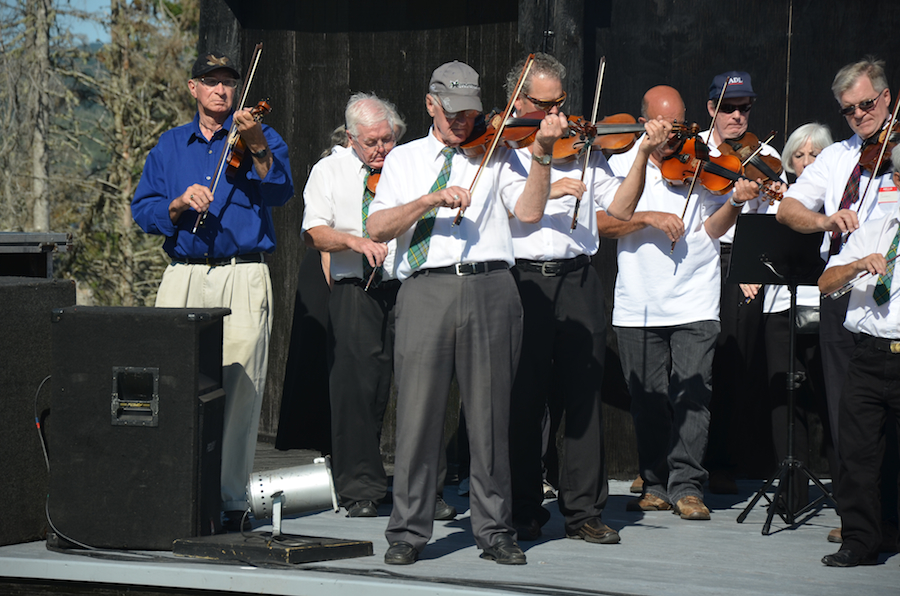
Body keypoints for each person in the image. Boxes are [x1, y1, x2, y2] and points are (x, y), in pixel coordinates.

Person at [365, 60, 568, 565]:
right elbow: (377, 227)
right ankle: (408, 532)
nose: (463, 121)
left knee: (490, 418)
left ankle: (495, 530)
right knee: (418, 417)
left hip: (490, 287)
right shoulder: (405, 159)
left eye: (471, 112)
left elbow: (529, 212)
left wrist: (542, 154)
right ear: (430, 104)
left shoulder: (499, 152)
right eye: (453, 111)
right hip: (425, 290)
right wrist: (430, 199)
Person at [503, 53, 671, 544]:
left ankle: (583, 512)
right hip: (524, 280)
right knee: (524, 398)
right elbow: (525, 211)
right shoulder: (505, 150)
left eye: (560, 102)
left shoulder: (586, 150)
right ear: (518, 101)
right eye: (544, 105)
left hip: (578, 278)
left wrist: (641, 154)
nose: (557, 114)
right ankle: (522, 507)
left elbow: (621, 208)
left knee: (583, 396)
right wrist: (547, 164)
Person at [131, 50, 294, 531]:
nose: (221, 89)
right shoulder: (169, 145)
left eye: (228, 81)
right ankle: (173, 491)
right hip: (182, 273)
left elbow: (280, 191)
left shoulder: (260, 135)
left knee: (241, 387)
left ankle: (230, 499)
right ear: (194, 88)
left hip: (241, 273)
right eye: (211, 80)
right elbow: (142, 211)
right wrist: (178, 204)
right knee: (170, 382)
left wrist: (257, 144)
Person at [597, 85, 759, 520]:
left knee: (693, 395)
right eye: (663, 125)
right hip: (638, 302)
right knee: (646, 400)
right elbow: (601, 225)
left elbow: (712, 229)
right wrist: (647, 217)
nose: (674, 135)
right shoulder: (619, 162)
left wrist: (735, 203)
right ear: (644, 121)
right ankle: (654, 483)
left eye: (680, 125)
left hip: (695, 298)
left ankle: (687, 486)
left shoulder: (704, 159)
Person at [776, 58, 898, 546]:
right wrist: (825, 221)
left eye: (866, 104)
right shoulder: (836, 157)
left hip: (893, 291)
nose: (860, 116)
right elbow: (787, 209)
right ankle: (858, 519)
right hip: (842, 289)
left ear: (886, 98)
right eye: (849, 110)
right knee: (848, 411)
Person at [741, 123, 834, 515]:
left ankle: (849, 491)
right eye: (799, 155)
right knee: (783, 399)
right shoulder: (776, 198)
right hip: (781, 307)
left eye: (815, 155)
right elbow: (753, 247)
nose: (806, 161)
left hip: (824, 305)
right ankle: (791, 491)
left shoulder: (837, 197)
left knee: (831, 398)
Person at [816, 146, 900, 567]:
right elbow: (825, 283)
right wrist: (855, 266)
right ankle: (860, 541)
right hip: (868, 355)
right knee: (858, 455)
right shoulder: (875, 228)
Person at [703, 71, 783, 495]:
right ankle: (666, 463)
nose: (737, 116)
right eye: (729, 108)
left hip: (739, 261)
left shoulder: (764, 155)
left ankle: (722, 461)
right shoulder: (694, 149)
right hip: (697, 257)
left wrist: (750, 269)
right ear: (711, 108)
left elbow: (770, 221)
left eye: (744, 108)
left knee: (732, 364)